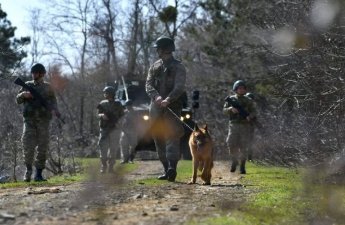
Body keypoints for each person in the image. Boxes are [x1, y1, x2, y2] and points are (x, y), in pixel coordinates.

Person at [145, 36, 186, 182]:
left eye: (158, 48)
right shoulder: (154, 66)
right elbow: (148, 85)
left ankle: (172, 168)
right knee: (158, 137)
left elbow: (179, 87)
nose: (157, 51)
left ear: (164, 49)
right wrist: (156, 97)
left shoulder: (179, 67)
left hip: (172, 106)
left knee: (172, 136)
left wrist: (168, 99)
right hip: (155, 108)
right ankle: (165, 168)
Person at [16, 63, 59, 182]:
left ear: (42, 74)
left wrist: (55, 111)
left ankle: (39, 174)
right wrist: (23, 94)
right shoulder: (27, 85)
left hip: (43, 121)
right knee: (27, 146)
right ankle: (28, 170)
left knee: (42, 147)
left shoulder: (48, 87)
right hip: (29, 121)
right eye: (33, 72)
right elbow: (18, 100)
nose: (33, 74)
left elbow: (54, 102)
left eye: (36, 73)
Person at [223, 80, 256, 174]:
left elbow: (254, 111)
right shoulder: (231, 99)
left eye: (243, 88)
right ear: (235, 89)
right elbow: (224, 110)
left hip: (245, 126)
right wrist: (230, 109)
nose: (241, 90)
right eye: (239, 88)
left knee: (244, 146)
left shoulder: (248, 100)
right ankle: (234, 160)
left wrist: (250, 116)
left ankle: (242, 166)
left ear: (245, 89)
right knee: (230, 143)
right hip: (233, 125)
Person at [97, 86, 124, 173]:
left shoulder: (118, 104)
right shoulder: (102, 103)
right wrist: (102, 115)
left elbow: (122, 116)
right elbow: (98, 114)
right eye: (105, 93)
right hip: (104, 128)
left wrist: (119, 123)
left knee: (113, 148)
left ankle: (111, 166)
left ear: (111, 94)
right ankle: (103, 165)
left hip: (115, 129)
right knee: (103, 147)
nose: (105, 94)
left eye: (106, 93)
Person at [119, 99, 137, 164]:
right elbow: (120, 121)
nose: (128, 106)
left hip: (133, 130)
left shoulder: (135, 112)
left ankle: (131, 159)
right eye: (127, 105)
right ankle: (124, 159)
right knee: (124, 145)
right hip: (124, 130)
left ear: (131, 106)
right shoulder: (124, 112)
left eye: (129, 105)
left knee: (133, 146)